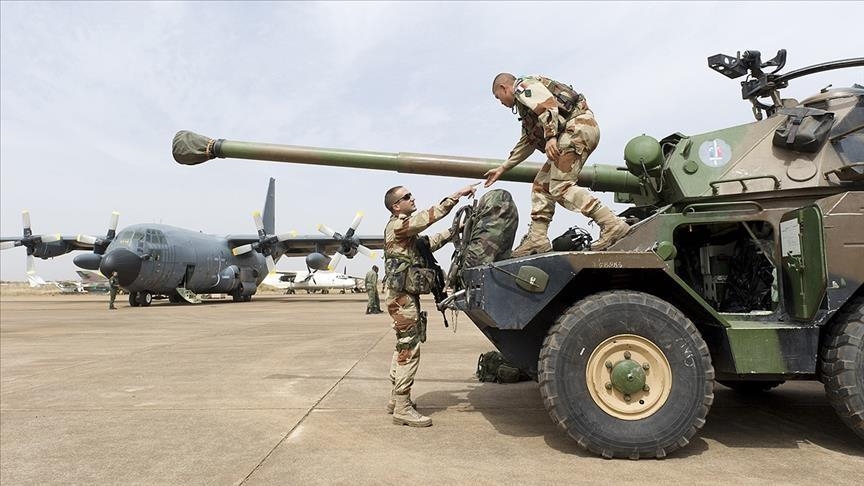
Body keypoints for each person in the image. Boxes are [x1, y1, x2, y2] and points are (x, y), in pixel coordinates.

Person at [484, 73, 630, 256]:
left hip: (577, 128)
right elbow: (527, 142)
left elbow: (548, 105)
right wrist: (503, 168)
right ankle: (537, 239)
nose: (501, 103)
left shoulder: (522, 86)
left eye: (498, 97)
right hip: (574, 131)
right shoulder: (526, 108)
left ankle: (611, 224)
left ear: (504, 88)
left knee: (561, 186)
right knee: (541, 186)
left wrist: (551, 137)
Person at [383, 183, 477, 427]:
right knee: (409, 349)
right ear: (396, 206)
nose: (412, 199)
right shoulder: (399, 225)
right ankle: (402, 408)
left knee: (403, 345)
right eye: (407, 197)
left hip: (403, 296)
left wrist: (457, 229)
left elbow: (430, 242)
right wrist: (454, 197)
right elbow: (428, 218)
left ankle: (396, 400)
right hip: (401, 298)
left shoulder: (406, 233)